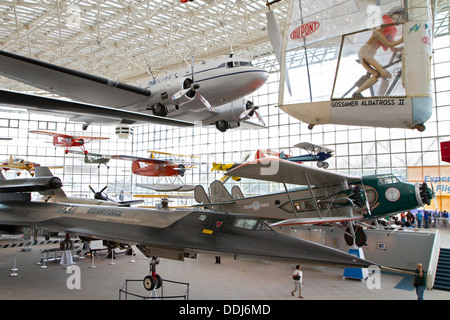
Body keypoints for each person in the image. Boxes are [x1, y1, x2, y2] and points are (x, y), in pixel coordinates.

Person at [353, 14, 403, 98]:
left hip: (369, 55)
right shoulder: (377, 32)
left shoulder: (388, 35)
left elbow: (393, 48)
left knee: (382, 74)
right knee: (382, 73)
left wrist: (401, 48)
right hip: (366, 53)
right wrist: (402, 39)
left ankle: (359, 93)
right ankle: (357, 93)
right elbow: (387, 44)